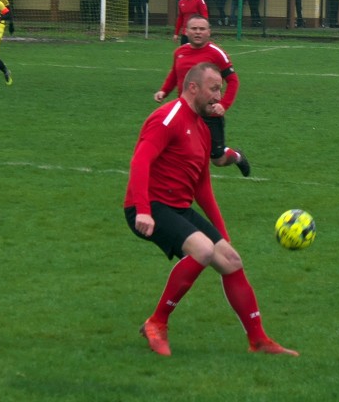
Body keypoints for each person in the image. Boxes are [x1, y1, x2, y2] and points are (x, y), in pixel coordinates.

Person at [125, 62, 297, 357]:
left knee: (230, 259)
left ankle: (258, 340)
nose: (219, 96)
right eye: (214, 89)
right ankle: (157, 323)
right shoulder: (168, 118)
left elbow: (202, 187)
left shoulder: (202, 129)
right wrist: (142, 209)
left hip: (177, 207)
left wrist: (222, 234)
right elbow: (140, 161)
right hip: (150, 206)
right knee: (202, 252)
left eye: (220, 89)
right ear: (193, 88)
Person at [155, 15, 250, 177]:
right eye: (194, 29)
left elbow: (233, 81)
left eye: (202, 29)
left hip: (209, 113)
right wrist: (164, 91)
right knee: (180, 151)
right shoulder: (180, 52)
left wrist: (223, 105)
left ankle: (237, 157)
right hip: (185, 112)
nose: (198, 32)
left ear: (208, 32)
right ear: (186, 31)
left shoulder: (216, 53)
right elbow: (175, 74)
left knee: (218, 159)